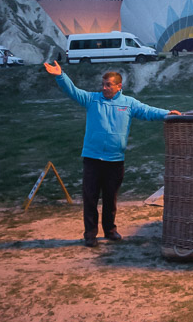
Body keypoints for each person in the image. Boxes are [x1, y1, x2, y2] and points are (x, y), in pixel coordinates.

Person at [44, 60, 181, 247]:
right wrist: (61, 75)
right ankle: (90, 235)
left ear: (119, 86)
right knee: (90, 198)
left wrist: (167, 113)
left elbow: (148, 111)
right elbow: (73, 92)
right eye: (103, 84)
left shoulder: (128, 103)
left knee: (110, 198)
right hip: (92, 159)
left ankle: (110, 231)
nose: (104, 88)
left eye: (108, 85)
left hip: (115, 160)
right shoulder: (93, 99)